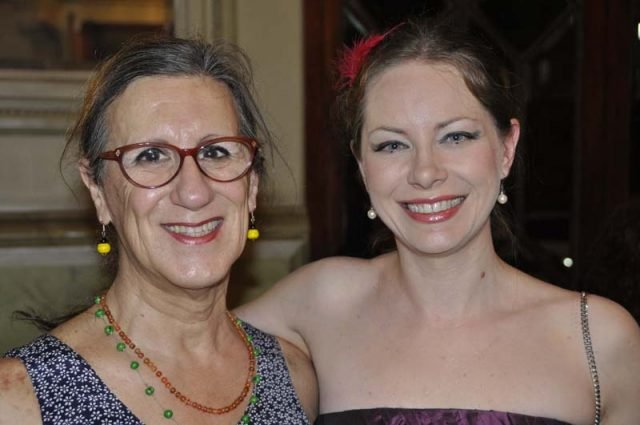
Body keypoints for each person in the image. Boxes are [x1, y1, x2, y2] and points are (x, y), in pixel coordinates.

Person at [237, 18, 640, 425]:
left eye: (456, 137)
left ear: (506, 148)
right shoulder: (316, 304)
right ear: (362, 165)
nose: (425, 172)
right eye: (392, 144)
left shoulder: (597, 340)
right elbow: (195, 352)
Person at [0, 35, 316, 425]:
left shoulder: (293, 378)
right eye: (150, 156)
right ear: (98, 191)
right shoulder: (19, 399)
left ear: (251, 186)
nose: (194, 192)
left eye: (216, 151)